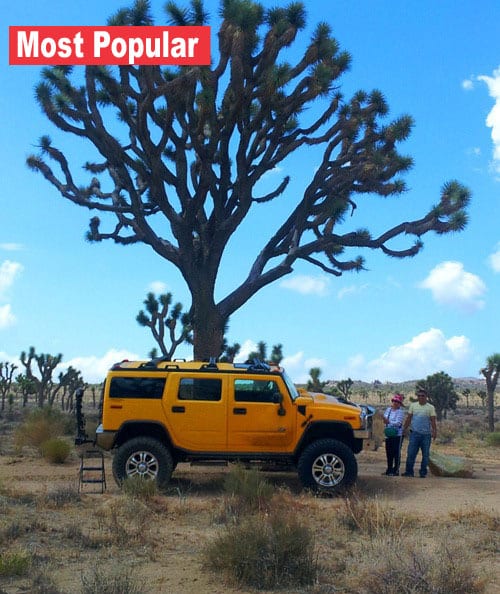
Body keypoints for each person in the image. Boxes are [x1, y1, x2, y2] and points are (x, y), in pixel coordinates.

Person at [402, 387, 437, 478]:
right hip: (414, 433)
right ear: (417, 396)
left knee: (425, 455)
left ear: (426, 397)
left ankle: (423, 473)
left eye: (423, 396)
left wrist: (434, 431)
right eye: (419, 396)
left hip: (426, 435)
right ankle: (409, 472)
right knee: (411, 453)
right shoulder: (413, 406)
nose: (421, 397)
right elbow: (409, 418)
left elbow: (433, 420)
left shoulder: (430, 407)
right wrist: (404, 428)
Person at [382, 393, 405, 476]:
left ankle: (396, 470)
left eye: (397, 402)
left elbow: (398, 423)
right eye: (394, 401)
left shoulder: (400, 412)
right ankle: (389, 469)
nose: (395, 403)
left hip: (397, 435)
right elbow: (384, 418)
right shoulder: (388, 410)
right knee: (389, 452)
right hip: (388, 434)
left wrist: (389, 422)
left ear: (400, 404)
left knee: (396, 452)